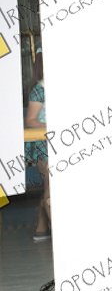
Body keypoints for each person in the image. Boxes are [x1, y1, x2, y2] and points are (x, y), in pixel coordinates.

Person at [24, 49, 50, 242]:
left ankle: (42, 225)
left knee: (51, 188)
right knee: (52, 189)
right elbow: (31, 120)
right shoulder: (40, 89)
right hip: (46, 146)